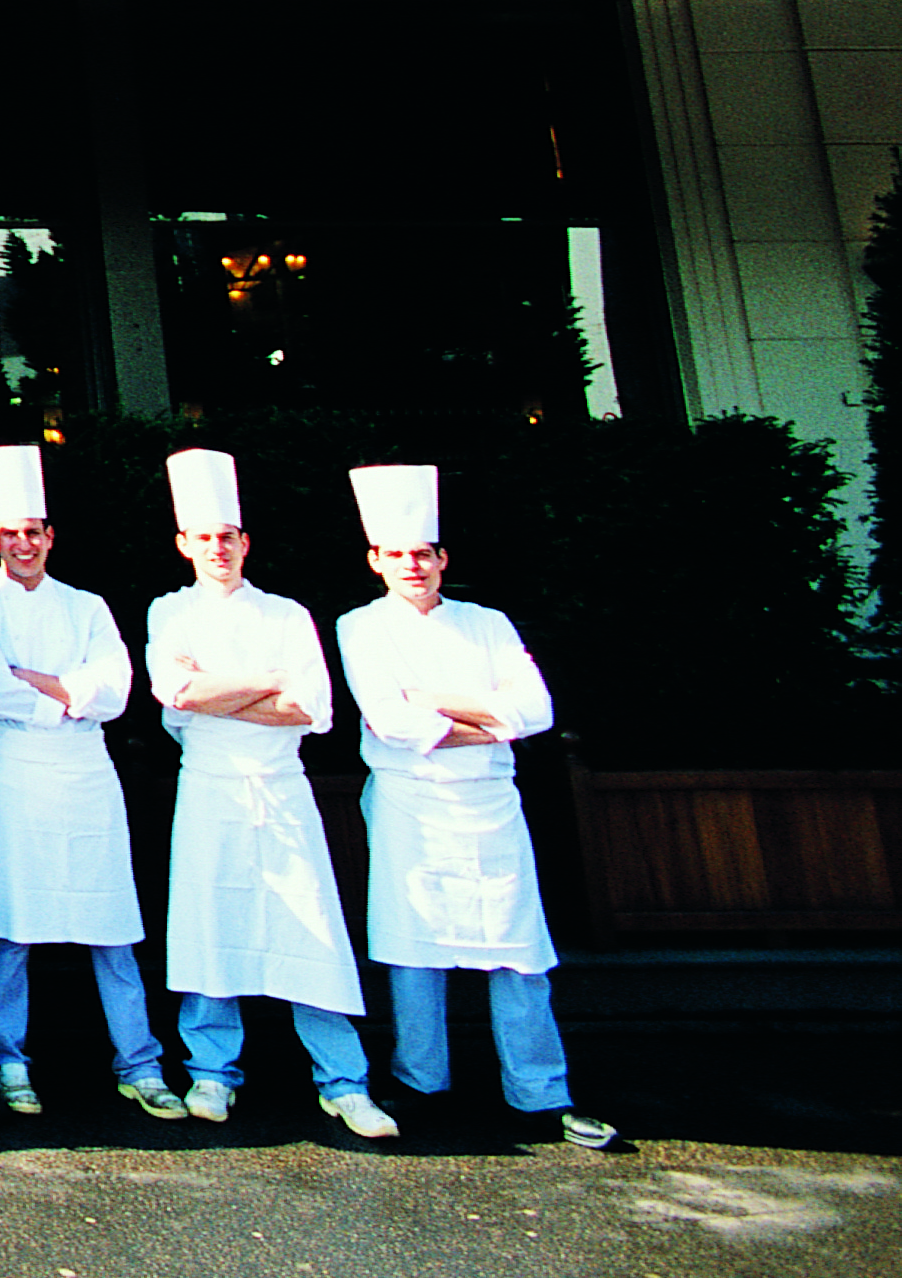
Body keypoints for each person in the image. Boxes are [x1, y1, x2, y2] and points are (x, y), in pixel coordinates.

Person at [335, 463, 613, 1150]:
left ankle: (540, 1091)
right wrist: (488, 715)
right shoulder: (359, 626)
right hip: (409, 803)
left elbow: (536, 709)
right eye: (397, 554)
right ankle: (419, 1080)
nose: (412, 565)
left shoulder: (486, 622)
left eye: (423, 553)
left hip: (489, 800)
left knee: (517, 949)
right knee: (412, 946)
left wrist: (434, 702)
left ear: (442, 559)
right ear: (375, 560)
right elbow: (386, 717)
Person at [147, 448, 394, 1138]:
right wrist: (263, 679)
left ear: (244, 542)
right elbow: (176, 691)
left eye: (228, 536)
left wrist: (219, 688)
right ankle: (210, 1070)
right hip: (208, 789)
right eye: (204, 537)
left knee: (308, 925)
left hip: (281, 787)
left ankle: (342, 1079)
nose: (217, 548)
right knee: (208, 923)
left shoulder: (286, 612)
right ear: (183, 544)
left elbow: (310, 705)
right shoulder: (168, 612)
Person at [0, 443, 181, 1121]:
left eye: (32, 531)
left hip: (88, 770)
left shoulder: (86, 605)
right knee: (10, 929)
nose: (21, 543)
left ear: (49, 535)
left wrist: (48, 684)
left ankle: (139, 1062)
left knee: (110, 924)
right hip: (18, 769)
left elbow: (116, 690)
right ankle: (9, 1060)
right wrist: (69, 691)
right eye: (9, 533)